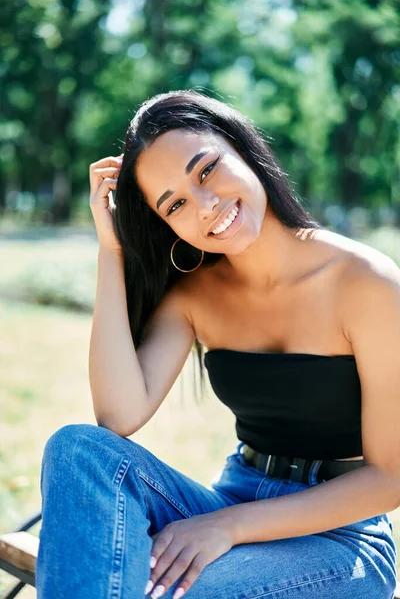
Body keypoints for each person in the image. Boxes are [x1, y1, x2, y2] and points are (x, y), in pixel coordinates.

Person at [35, 90, 400, 599]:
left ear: (243, 148)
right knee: (79, 449)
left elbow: (389, 479)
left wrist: (228, 528)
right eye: (176, 204)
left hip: (340, 538)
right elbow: (118, 416)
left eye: (206, 170)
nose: (205, 206)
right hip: (228, 498)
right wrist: (111, 247)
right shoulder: (195, 294)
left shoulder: (368, 284)